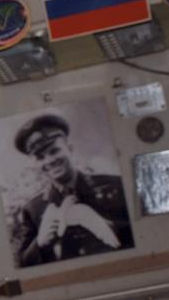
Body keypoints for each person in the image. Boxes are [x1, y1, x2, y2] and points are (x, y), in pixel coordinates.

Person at [10, 114, 134, 267]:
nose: (49, 161)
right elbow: (21, 265)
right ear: (35, 163)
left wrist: (108, 226)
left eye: (54, 151)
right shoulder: (33, 209)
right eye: (40, 157)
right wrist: (40, 243)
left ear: (70, 148)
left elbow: (146, 233)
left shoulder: (115, 184)